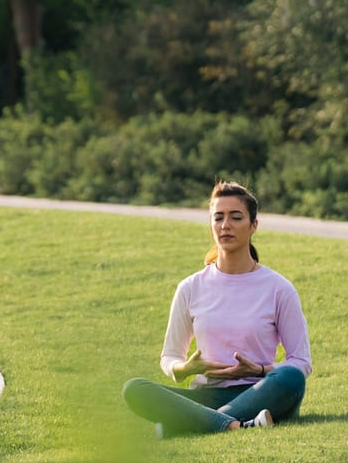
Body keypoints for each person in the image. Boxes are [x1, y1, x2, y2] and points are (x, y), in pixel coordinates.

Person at [122, 181, 311, 436]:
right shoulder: (190, 287)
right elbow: (169, 358)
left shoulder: (279, 288)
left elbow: (300, 362)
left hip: (260, 391)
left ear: (253, 225)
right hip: (206, 394)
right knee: (135, 388)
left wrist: (259, 370)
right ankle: (234, 425)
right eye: (218, 218)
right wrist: (186, 369)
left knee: (291, 377)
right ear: (211, 224)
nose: (225, 225)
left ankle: (191, 424)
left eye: (236, 217)